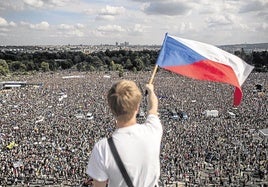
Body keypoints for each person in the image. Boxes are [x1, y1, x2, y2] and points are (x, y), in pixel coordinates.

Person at [86, 79, 163, 187]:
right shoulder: (153, 130)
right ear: (137, 107)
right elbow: (153, 108)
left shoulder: (102, 148)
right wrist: (150, 91)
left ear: (111, 109)